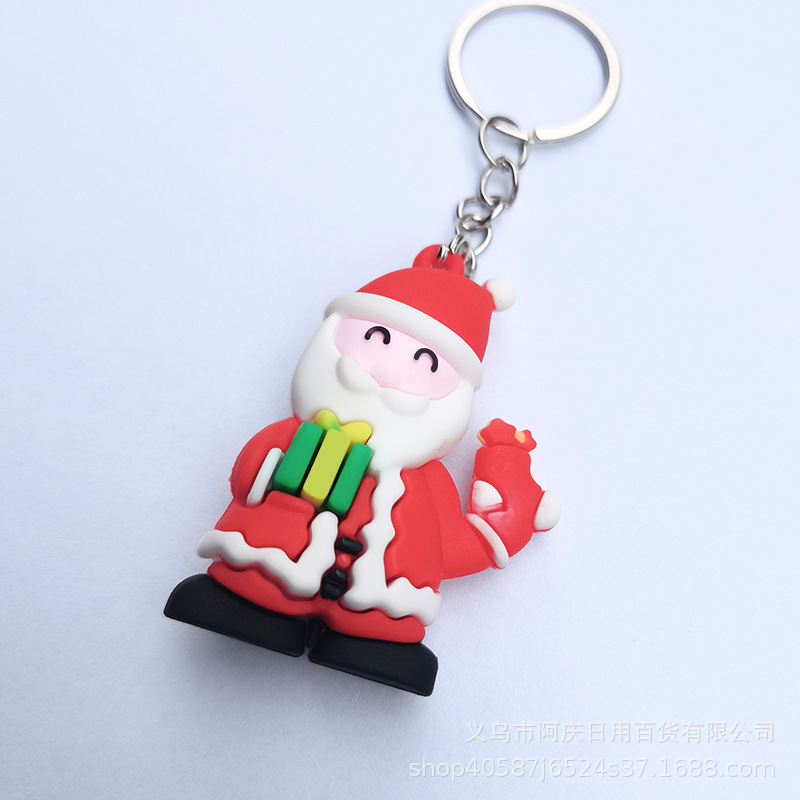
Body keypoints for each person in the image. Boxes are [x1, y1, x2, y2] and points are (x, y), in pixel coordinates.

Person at [165, 245, 559, 695]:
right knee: (254, 588)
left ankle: (373, 641)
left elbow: (446, 543)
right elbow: (247, 477)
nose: (389, 372)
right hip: (264, 565)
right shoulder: (298, 434)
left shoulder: (425, 478)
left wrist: (506, 508)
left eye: (426, 363)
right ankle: (252, 604)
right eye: (376, 338)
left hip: (384, 600)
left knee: (379, 628)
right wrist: (270, 471)